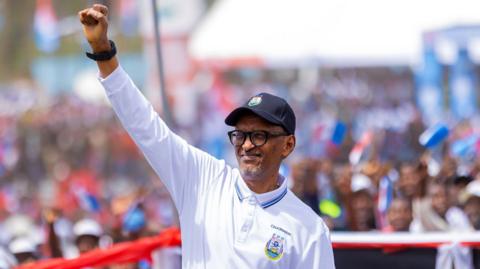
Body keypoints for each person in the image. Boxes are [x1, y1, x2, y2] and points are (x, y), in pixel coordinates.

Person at [78, 4, 335, 268]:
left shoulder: (310, 230)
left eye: (259, 135)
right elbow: (146, 127)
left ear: (287, 145)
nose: (247, 145)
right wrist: (103, 54)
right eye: (240, 135)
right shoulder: (203, 180)